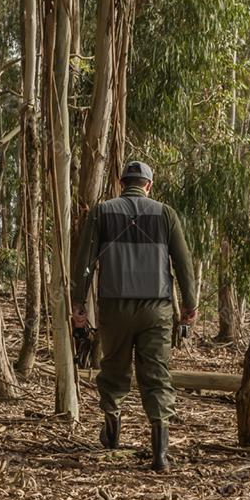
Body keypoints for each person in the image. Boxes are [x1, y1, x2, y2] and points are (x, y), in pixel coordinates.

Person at [71, 160, 197, 472]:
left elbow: (84, 263)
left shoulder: (102, 212)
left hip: (114, 306)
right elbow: (183, 265)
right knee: (156, 375)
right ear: (148, 186)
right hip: (157, 308)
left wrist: (78, 306)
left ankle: (112, 436)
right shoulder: (166, 213)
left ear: (121, 182)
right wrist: (189, 308)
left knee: (114, 370)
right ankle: (160, 454)